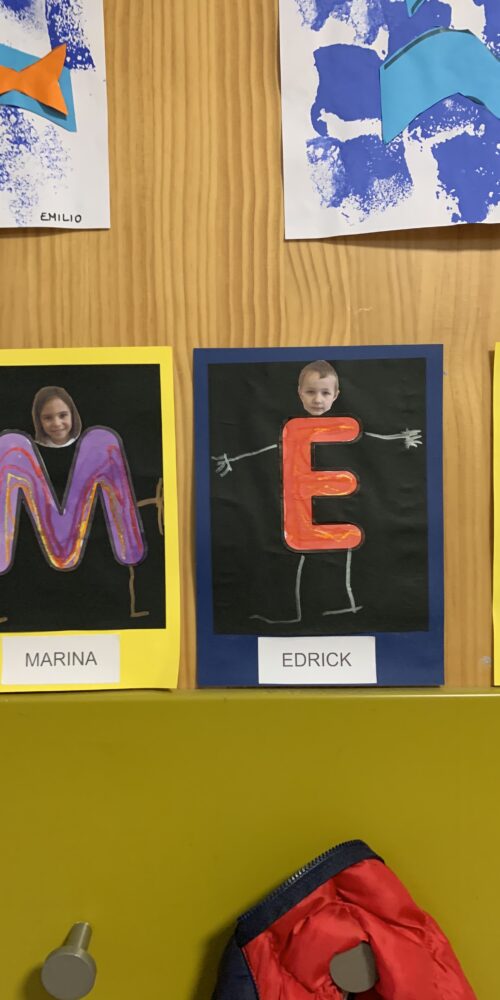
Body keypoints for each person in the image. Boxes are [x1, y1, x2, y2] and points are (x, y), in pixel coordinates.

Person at [212, 360, 422, 622]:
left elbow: (369, 439)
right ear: (299, 392)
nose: (318, 400)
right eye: (310, 392)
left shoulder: (345, 430)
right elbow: (271, 450)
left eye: (325, 393)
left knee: (338, 558)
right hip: (301, 514)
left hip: (335, 512)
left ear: (336, 395)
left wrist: (399, 439)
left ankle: (343, 608)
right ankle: (297, 613)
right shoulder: (292, 432)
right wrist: (234, 460)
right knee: (298, 558)